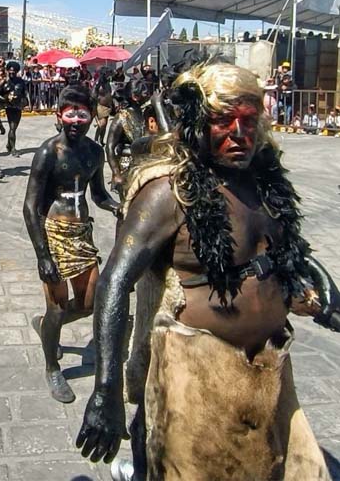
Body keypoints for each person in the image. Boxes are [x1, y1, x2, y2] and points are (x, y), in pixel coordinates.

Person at [76, 63, 339, 481]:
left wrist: (317, 283)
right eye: (222, 120)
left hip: (270, 377)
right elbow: (114, 281)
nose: (239, 133)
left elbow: (281, 251)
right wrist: (105, 391)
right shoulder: (168, 192)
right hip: (195, 384)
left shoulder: (264, 183)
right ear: (198, 123)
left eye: (248, 121)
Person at [23, 86, 120, 403]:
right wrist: (43, 255)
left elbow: (99, 195)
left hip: (82, 234)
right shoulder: (48, 152)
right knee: (58, 306)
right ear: (58, 117)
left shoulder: (95, 152)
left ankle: (47, 327)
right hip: (53, 233)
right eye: (70, 113)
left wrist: (119, 207)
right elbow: (30, 206)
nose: (76, 120)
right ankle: (53, 367)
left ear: (92, 116)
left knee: (91, 304)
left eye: (83, 113)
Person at [105, 78, 151, 196]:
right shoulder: (121, 118)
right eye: (146, 93)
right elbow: (109, 147)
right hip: (127, 167)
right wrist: (116, 172)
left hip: (145, 165)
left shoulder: (146, 113)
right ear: (135, 96)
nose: (149, 95)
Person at [0, 61, 28, 156]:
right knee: (12, 128)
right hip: (9, 107)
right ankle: (13, 149)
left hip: (18, 106)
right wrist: (4, 100)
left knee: (14, 128)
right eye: (10, 71)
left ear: (16, 71)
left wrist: (28, 103)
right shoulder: (4, 82)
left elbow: (25, 92)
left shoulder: (21, 81)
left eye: (13, 72)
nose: (11, 73)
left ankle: (8, 144)